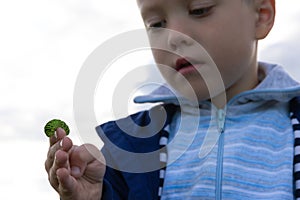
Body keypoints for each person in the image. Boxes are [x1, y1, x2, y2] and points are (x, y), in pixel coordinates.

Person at [45, 0, 300, 199]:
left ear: (261, 15)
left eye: (199, 10)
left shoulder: (293, 124)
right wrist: (92, 196)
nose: (174, 36)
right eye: (157, 23)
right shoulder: (130, 147)